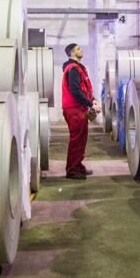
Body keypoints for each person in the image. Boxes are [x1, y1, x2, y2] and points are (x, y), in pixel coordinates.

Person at [61, 43, 101, 180]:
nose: (81, 50)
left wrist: (93, 100)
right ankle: (72, 170)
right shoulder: (72, 69)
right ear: (71, 53)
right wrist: (90, 103)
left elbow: (84, 88)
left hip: (78, 109)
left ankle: (78, 166)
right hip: (74, 109)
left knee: (81, 140)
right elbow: (76, 91)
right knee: (77, 140)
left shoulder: (78, 68)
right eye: (78, 49)